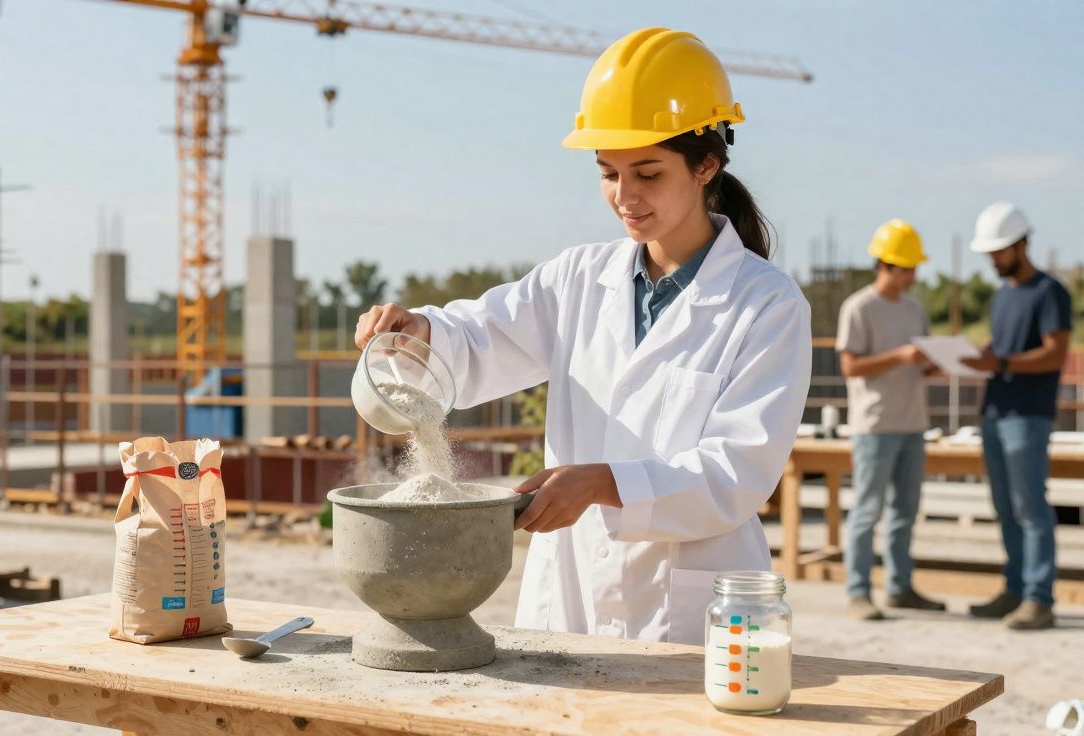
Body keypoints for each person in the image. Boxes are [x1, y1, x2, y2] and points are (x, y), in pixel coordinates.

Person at [352, 28, 811, 645]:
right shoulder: (578, 278)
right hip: (568, 596)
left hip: (688, 614)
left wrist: (602, 483)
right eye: (608, 173)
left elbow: (737, 474)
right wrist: (419, 333)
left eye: (647, 173)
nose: (625, 197)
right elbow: (483, 336)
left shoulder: (765, 304)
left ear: (707, 164)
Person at [961, 202, 1072, 630]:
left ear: (1021, 245)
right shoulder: (1003, 295)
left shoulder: (1050, 292)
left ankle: (1039, 599)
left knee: (1031, 508)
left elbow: (1055, 353)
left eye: (998, 252)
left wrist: (1001, 364)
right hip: (995, 413)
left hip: (1028, 415)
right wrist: (982, 358)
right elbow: (1004, 350)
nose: (992, 259)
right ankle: (1014, 590)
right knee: (1006, 507)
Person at [836, 220, 946, 620]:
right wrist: (899, 356)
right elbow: (850, 366)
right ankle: (859, 591)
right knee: (867, 512)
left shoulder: (915, 308)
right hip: (875, 427)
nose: (915, 275)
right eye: (910, 268)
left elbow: (920, 360)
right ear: (888, 265)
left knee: (905, 512)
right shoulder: (859, 307)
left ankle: (900, 588)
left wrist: (936, 365)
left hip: (913, 423)